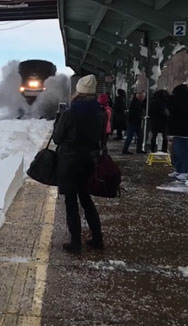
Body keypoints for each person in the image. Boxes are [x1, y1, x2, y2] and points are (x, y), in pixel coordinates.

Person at [54, 75, 106, 254]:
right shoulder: (101, 113)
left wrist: (58, 121)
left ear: (79, 92)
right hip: (89, 162)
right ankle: (97, 238)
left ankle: (75, 243)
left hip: (69, 163)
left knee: (71, 202)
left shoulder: (69, 113)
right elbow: (102, 137)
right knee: (86, 200)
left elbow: (57, 138)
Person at [167, 84, 188, 181]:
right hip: (180, 131)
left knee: (182, 152)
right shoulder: (185, 102)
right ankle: (179, 169)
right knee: (177, 152)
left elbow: (175, 113)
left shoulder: (183, 103)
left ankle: (184, 170)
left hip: (182, 132)